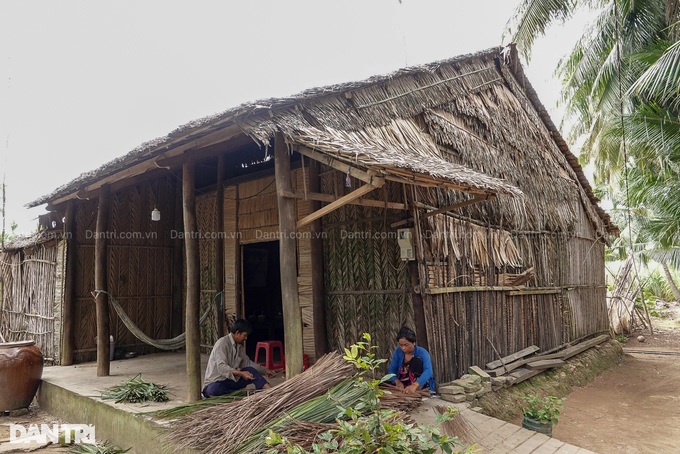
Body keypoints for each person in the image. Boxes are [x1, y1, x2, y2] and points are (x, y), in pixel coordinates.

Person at [202, 319, 273, 398]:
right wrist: (241, 373)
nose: (246, 338)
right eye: (244, 335)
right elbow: (222, 367)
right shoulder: (222, 344)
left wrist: (265, 370)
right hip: (216, 382)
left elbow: (248, 363)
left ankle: (270, 390)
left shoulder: (240, 347)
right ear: (237, 333)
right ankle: (236, 393)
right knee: (214, 390)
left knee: (251, 370)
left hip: (230, 381)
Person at [387, 326, 434, 394]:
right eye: (401, 345)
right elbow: (391, 371)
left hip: (419, 385)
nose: (403, 348)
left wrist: (414, 385)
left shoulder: (422, 352)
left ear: (414, 342)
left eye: (406, 345)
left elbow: (428, 371)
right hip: (402, 385)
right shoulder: (398, 351)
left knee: (417, 361)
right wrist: (397, 382)